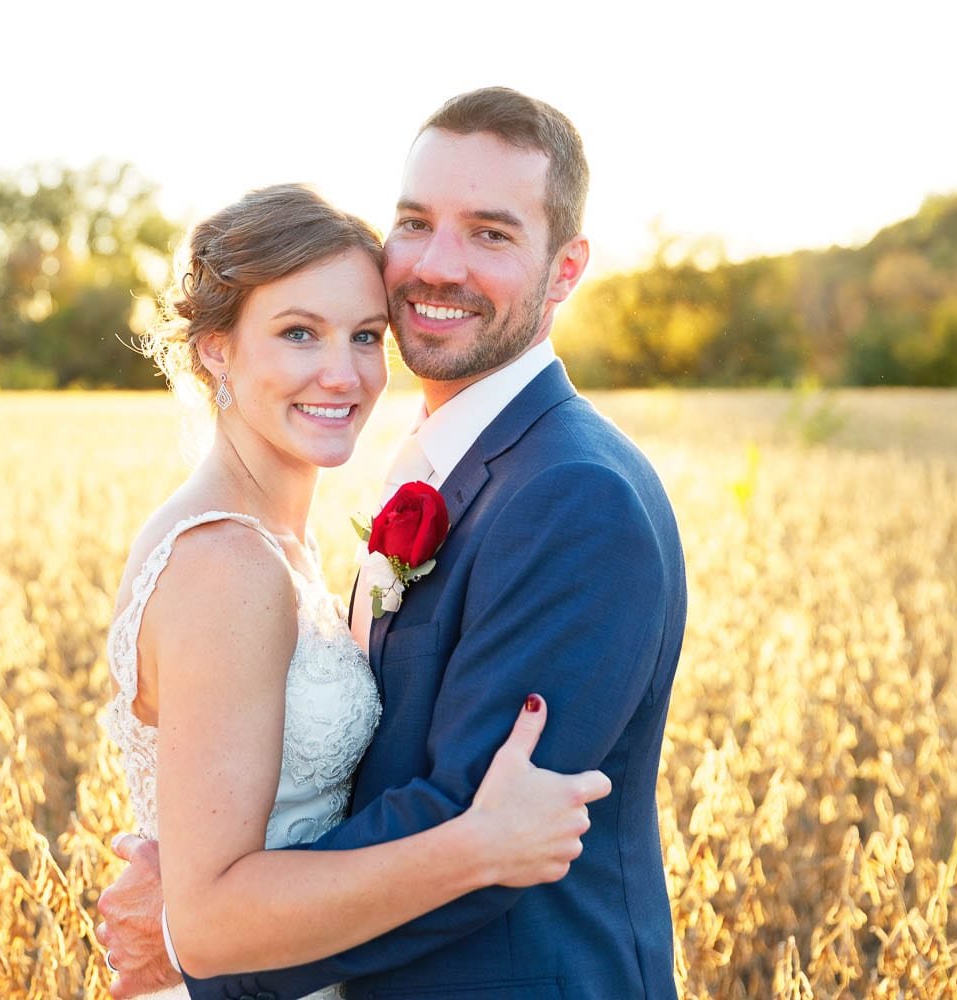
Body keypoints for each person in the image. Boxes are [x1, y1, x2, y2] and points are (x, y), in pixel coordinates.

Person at [101, 88, 688, 1000]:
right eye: (415, 222)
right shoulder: (417, 479)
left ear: (566, 269)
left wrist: (193, 944)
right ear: (216, 350)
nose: (437, 265)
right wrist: (199, 908)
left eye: (491, 233)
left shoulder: (574, 495)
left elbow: (481, 828)